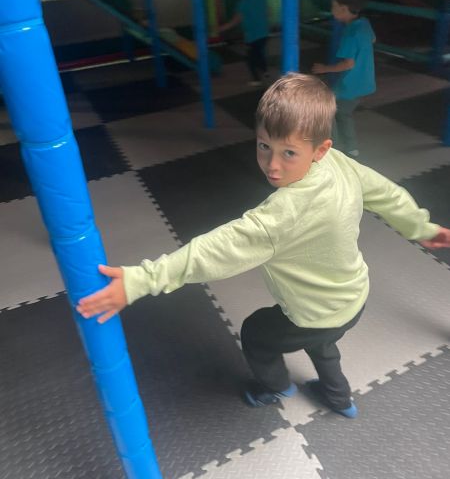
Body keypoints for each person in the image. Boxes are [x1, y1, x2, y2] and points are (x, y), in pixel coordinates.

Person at [77, 74, 450, 419]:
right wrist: (420, 227)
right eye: (264, 146)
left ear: (320, 149)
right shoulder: (339, 163)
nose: (272, 165)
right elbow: (387, 194)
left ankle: (275, 387)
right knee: (323, 342)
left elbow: (216, 249)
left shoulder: (282, 214)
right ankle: (339, 398)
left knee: (257, 334)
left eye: (289, 153)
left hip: (313, 310)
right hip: (353, 297)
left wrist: (141, 279)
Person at [312, 0, 376, 157]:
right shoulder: (364, 24)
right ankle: (351, 148)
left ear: (343, 9)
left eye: (333, 6)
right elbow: (373, 39)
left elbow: (348, 64)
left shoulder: (351, 34)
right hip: (364, 81)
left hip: (350, 85)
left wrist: (324, 69)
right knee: (342, 112)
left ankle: (334, 149)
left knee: (326, 111)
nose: (331, 10)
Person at [218, 0, 270, 86]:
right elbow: (268, 12)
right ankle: (265, 71)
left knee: (250, 57)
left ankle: (256, 79)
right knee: (259, 53)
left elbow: (235, 21)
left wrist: (221, 29)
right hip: (264, 34)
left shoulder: (243, 3)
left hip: (253, 36)